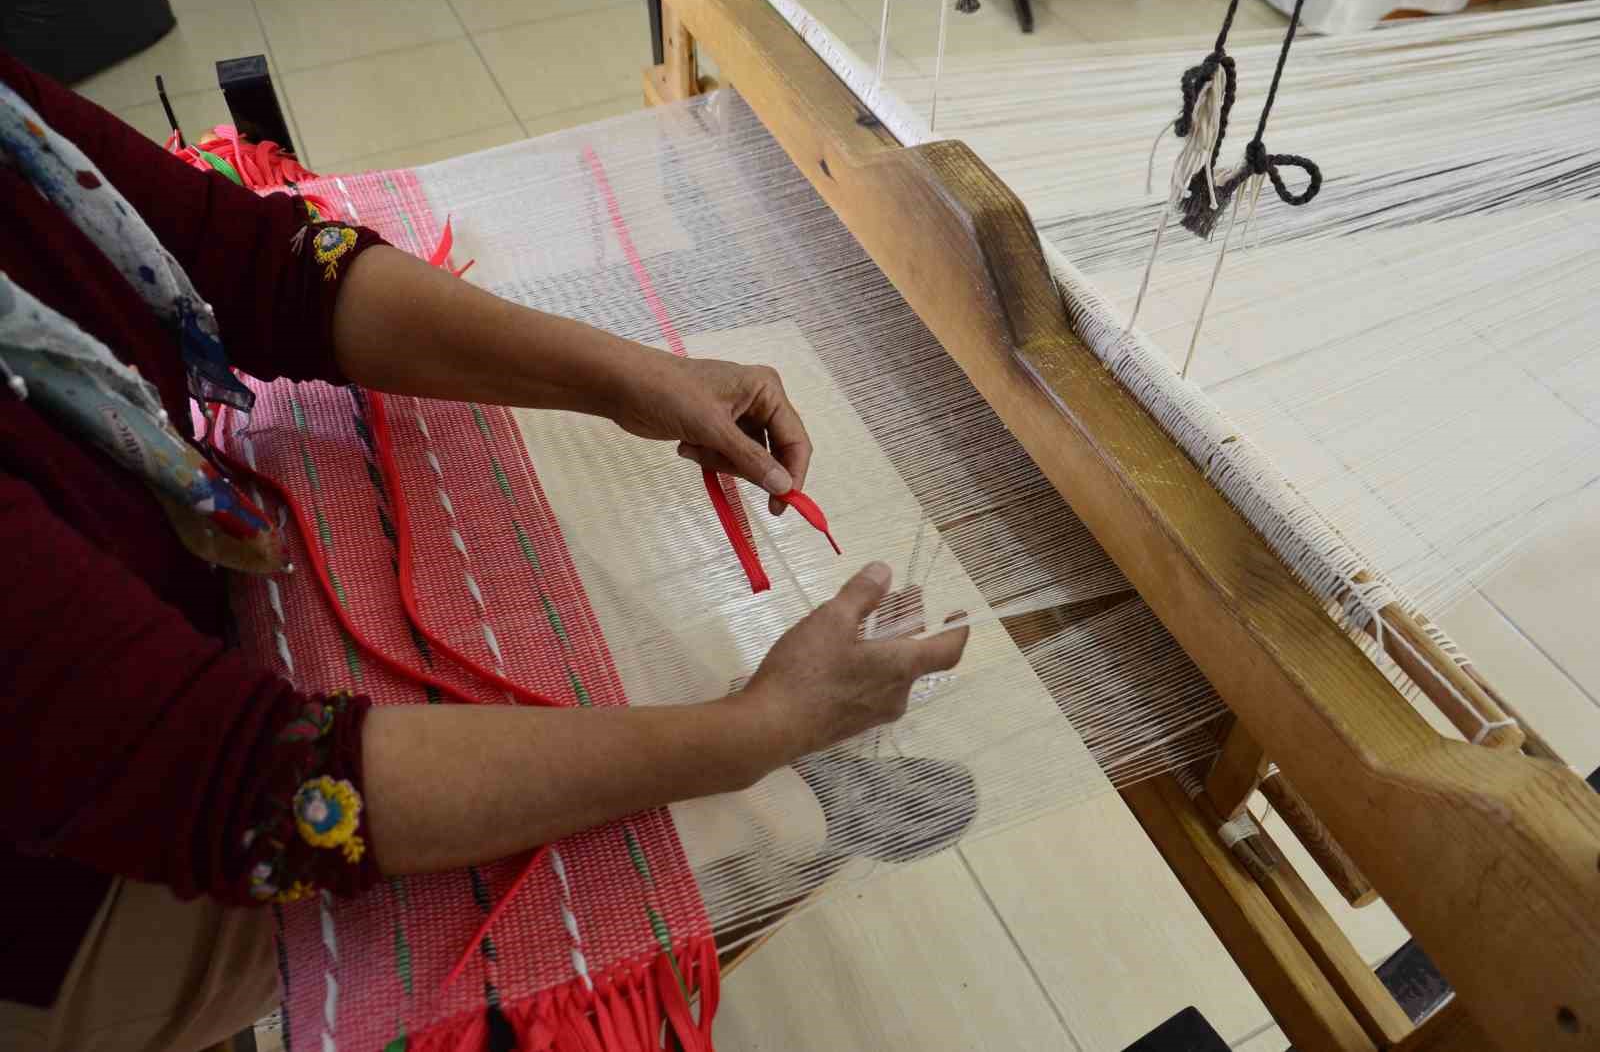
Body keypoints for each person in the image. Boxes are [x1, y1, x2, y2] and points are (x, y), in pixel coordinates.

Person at [0, 53, 969, 1051]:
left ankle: (755, 781)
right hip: (65, 912)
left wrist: (626, 376)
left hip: (130, 650)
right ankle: (771, 819)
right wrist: (757, 731)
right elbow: (257, 789)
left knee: (473, 482)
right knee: (623, 822)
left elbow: (257, 264)